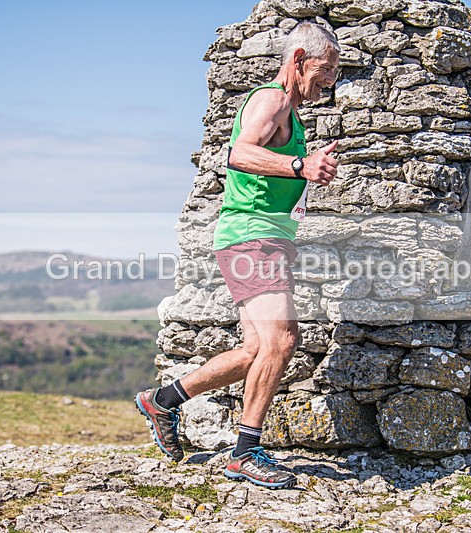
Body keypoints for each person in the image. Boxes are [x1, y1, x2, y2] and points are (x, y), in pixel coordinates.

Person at [136, 22, 340, 489]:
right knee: (282, 340)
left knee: (256, 349)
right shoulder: (271, 100)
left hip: (264, 236)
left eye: (335, 71)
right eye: (325, 69)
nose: (330, 79)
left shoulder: (291, 110)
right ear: (297, 59)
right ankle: (245, 453)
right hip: (252, 236)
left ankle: (163, 400)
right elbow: (239, 153)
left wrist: (306, 173)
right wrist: (300, 165)